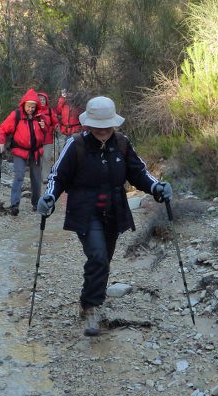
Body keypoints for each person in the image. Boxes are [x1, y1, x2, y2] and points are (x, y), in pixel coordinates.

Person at [37, 95, 172, 336]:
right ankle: (92, 308)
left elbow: (138, 172)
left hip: (115, 211)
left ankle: (88, 298)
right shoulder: (75, 144)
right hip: (85, 211)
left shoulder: (121, 143)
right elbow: (58, 176)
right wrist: (49, 197)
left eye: (107, 125)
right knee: (98, 256)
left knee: (104, 260)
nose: (102, 131)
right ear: (88, 124)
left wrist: (157, 187)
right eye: (98, 126)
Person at [0, 89, 46, 215]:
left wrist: (43, 127)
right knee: (19, 177)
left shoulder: (40, 116)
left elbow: (45, 133)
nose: (31, 109)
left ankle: (36, 203)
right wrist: (1, 142)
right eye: (29, 106)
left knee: (36, 179)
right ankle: (14, 205)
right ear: (24, 104)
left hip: (35, 152)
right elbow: (2, 129)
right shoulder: (16, 115)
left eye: (33, 106)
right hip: (20, 151)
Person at [37, 91, 58, 184]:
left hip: (48, 138)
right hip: (36, 139)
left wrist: (56, 127)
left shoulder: (50, 111)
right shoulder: (34, 110)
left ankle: (45, 177)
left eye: (43, 99)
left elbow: (55, 122)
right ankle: (39, 175)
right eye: (40, 99)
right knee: (38, 157)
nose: (41, 101)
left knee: (46, 157)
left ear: (46, 101)